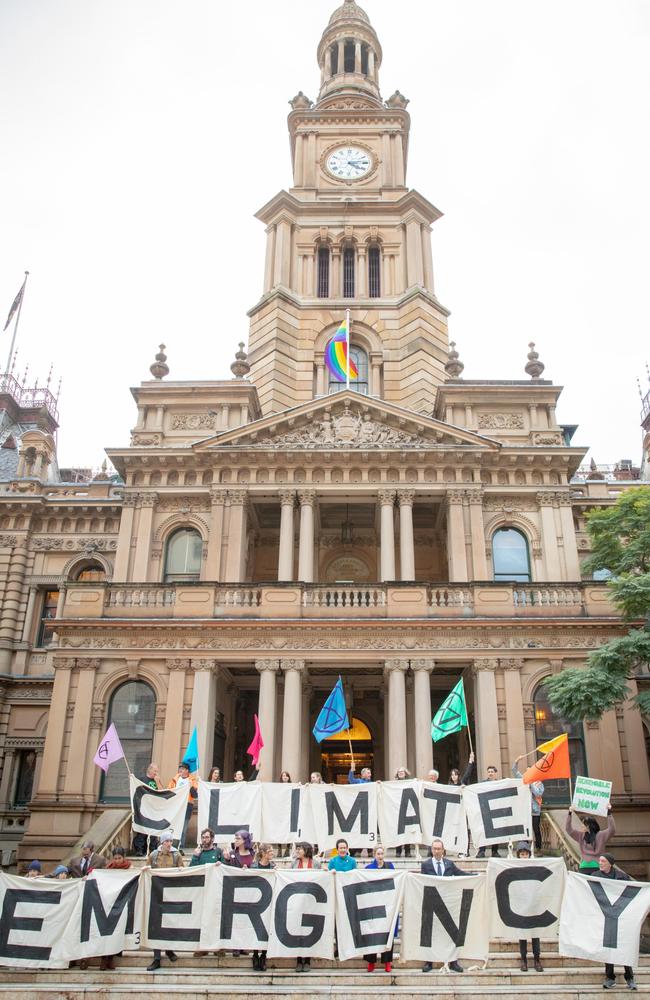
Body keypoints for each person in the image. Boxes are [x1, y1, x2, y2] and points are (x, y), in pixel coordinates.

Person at [420, 838, 475, 973]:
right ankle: (429, 961)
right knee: (431, 933)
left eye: (439, 849)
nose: (437, 851)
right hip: (432, 904)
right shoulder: (426, 865)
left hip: (448, 903)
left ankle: (453, 962)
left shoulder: (449, 864)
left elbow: (460, 875)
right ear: (431, 850)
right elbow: (422, 881)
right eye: (434, 849)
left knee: (452, 933)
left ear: (443, 850)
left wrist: (475, 876)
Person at [593, 853, 637, 991]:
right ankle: (609, 977)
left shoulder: (621, 876)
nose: (600, 863)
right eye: (599, 861)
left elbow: (633, 889)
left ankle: (629, 977)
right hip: (605, 916)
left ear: (610, 863)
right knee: (608, 947)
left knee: (624, 947)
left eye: (603, 861)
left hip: (620, 915)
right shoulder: (595, 876)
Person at [145, 831, 183, 972]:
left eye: (171, 841)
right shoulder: (154, 856)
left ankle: (169, 949)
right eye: (167, 841)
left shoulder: (176, 855)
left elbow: (182, 870)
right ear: (162, 842)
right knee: (156, 925)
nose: (169, 844)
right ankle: (156, 957)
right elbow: (147, 870)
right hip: (156, 893)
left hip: (171, 893)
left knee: (170, 923)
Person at [364, 847, 397, 973]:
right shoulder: (368, 868)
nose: (380, 855)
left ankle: (387, 962)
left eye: (382, 853)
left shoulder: (390, 866)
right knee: (372, 933)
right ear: (374, 854)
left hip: (387, 904)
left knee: (387, 933)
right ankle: (371, 961)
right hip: (373, 904)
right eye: (378, 853)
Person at [463, 760, 504, 858]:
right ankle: (482, 851)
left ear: (495, 773)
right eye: (489, 772)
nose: (490, 773)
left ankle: (495, 851)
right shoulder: (482, 783)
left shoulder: (500, 783)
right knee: (483, 831)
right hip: (485, 810)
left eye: (492, 772)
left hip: (496, 810)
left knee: (496, 832)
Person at [292, 842, 322, 972]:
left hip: (311, 901)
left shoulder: (315, 864)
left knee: (308, 930)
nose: (298, 851)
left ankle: (308, 959)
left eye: (300, 849)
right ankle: (299, 959)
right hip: (297, 900)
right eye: (297, 849)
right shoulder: (294, 864)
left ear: (306, 850)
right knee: (297, 930)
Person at [514, 842, 543, 972]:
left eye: (526, 854)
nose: (524, 856)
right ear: (518, 855)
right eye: (522, 854)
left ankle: (537, 959)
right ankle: (524, 959)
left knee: (535, 934)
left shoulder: (535, 867)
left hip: (534, 906)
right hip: (521, 907)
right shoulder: (514, 869)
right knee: (522, 935)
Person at [102, 846, 132, 972]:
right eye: (115, 858)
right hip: (110, 903)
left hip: (123, 902)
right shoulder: (108, 869)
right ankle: (105, 959)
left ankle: (111, 958)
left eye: (119, 858)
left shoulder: (129, 868)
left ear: (123, 857)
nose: (117, 861)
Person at [565, 803, 615, 871]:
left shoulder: (601, 835)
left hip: (594, 867)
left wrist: (608, 812)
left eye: (583, 824)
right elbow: (568, 829)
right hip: (586, 867)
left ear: (588, 825)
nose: (581, 825)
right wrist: (570, 813)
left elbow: (612, 829)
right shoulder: (581, 835)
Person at [512, 755, 544, 852]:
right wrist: (516, 761)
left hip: (534, 811)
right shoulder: (523, 779)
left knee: (536, 829)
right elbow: (514, 771)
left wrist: (530, 784)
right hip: (524, 810)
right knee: (524, 829)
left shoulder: (539, 783)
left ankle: (538, 848)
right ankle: (524, 848)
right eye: (526, 771)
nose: (527, 772)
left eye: (529, 771)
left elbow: (538, 793)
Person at [252, 844, 275, 971]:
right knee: (257, 930)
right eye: (270, 851)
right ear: (263, 853)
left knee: (267, 929)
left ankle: (264, 955)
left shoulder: (274, 867)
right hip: (256, 902)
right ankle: (255, 955)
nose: (272, 853)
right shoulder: (253, 866)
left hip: (269, 901)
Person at [133, 763, 163, 856]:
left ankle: (152, 849)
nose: (156, 773)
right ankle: (140, 849)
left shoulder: (157, 780)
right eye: (155, 771)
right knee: (142, 830)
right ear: (149, 769)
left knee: (153, 829)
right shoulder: (142, 779)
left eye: (157, 771)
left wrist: (158, 782)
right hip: (143, 808)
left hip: (154, 809)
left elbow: (162, 792)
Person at [168, 761, 198, 850]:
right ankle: (173, 844)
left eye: (182, 769)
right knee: (174, 824)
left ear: (187, 771)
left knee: (184, 826)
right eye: (180, 769)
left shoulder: (192, 780)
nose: (180, 770)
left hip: (187, 805)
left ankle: (181, 845)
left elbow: (195, 795)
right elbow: (169, 790)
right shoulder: (175, 779)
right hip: (176, 805)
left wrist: (191, 787)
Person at [394, 766, 413, 858]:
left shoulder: (410, 782)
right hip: (397, 810)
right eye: (399, 771)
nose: (401, 773)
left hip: (407, 810)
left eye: (402, 771)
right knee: (398, 832)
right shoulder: (393, 784)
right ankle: (398, 851)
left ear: (405, 773)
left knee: (407, 832)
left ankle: (407, 851)